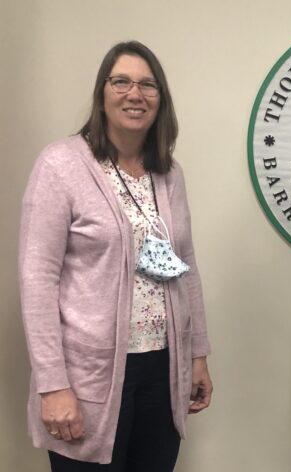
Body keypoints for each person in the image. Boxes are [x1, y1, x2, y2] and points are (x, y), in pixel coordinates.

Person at [18, 41, 212, 470]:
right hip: (88, 378)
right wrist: (52, 386)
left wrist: (196, 355)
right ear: (102, 93)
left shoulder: (169, 173)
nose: (134, 94)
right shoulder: (61, 165)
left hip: (163, 371)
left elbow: (187, 268)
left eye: (147, 84)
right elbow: (38, 281)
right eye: (121, 81)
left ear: (161, 99)